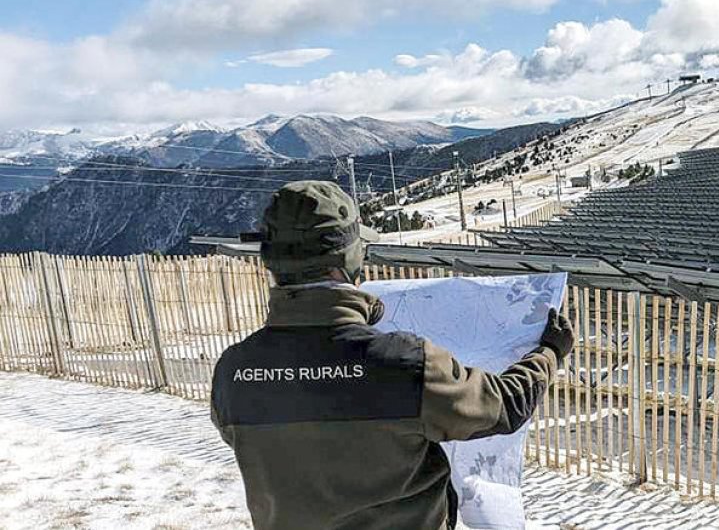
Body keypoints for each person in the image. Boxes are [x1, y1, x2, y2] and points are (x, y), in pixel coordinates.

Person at [210, 180, 574, 530]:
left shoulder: (232, 372)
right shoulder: (405, 365)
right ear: (348, 261)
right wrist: (550, 352)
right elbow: (504, 406)